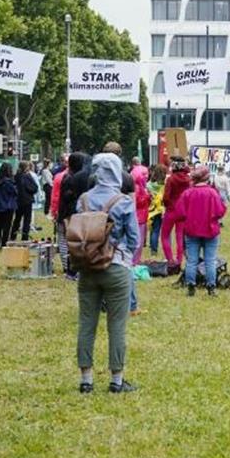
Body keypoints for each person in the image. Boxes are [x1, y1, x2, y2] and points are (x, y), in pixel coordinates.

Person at [74, 152, 139, 394]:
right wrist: (122, 254)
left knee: (86, 322)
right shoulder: (123, 201)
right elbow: (134, 239)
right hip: (116, 267)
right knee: (117, 324)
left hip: (87, 267)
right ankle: (117, 379)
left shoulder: (83, 200)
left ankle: (86, 379)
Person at [180, 165, 227, 296]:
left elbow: (180, 213)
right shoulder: (212, 192)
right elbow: (220, 211)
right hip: (210, 230)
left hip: (192, 230)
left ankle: (191, 286)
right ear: (207, 177)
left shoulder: (188, 193)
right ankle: (211, 287)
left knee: (192, 260)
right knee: (210, 260)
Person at [55, 152, 87, 278]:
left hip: (68, 214)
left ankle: (69, 268)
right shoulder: (79, 178)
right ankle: (73, 269)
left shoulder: (67, 178)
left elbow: (63, 198)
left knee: (67, 241)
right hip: (74, 214)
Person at [159, 157, 193, 273]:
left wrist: (167, 205)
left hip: (171, 210)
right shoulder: (188, 179)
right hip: (183, 211)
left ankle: (170, 260)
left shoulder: (171, 179)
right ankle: (179, 260)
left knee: (165, 236)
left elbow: (166, 197)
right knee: (180, 236)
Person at [0, 162, 18, 251]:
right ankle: (4, 244)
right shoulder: (8, 182)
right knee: (7, 226)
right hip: (8, 206)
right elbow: (14, 192)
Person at [132, 165, 152, 266]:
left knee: (140, 241)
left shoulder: (142, 186)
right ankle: (133, 262)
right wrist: (147, 196)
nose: (146, 176)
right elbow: (136, 202)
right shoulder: (137, 187)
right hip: (138, 217)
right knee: (138, 241)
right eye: (144, 174)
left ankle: (136, 260)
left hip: (142, 216)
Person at [13, 161, 38, 241]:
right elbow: (34, 187)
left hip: (18, 200)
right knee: (27, 220)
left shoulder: (16, 176)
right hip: (27, 200)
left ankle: (13, 236)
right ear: (26, 167)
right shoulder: (27, 176)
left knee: (17, 219)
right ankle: (25, 237)